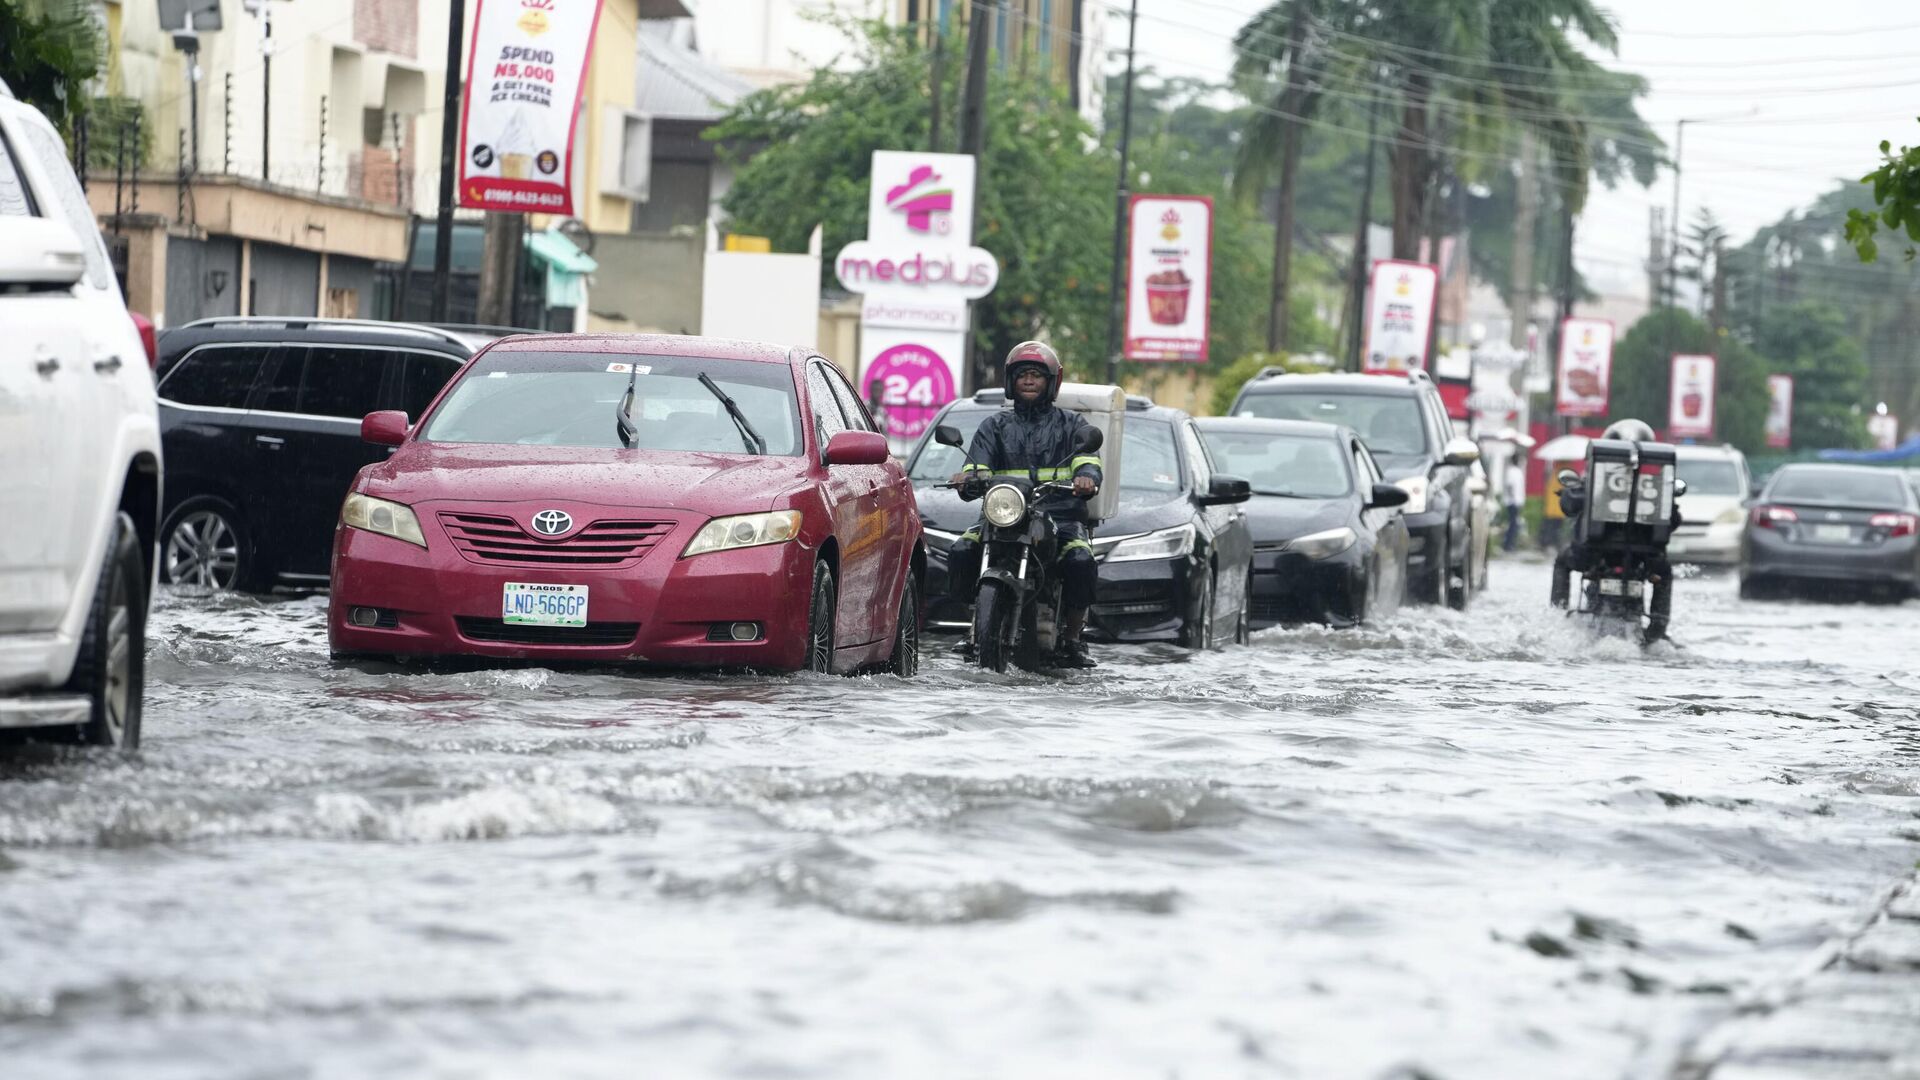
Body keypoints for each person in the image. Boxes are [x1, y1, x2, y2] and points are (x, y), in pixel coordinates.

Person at [946, 341, 1104, 668]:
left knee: (1080, 560)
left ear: (1051, 382)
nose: (1029, 381)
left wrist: (1087, 478)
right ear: (1011, 381)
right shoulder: (995, 427)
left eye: (1036, 375)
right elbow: (976, 467)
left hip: (1060, 518)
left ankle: (1074, 638)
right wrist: (967, 478)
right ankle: (975, 625)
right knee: (962, 551)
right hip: (1004, 515)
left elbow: (1089, 463)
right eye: (1022, 376)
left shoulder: (1072, 425)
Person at [1549, 418, 1678, 641]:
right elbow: (1674, 520)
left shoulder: (1597, 479)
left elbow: (1570, 506)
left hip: (1592, 555)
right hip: (1643, 560)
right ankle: (1658, 631)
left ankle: (1556, 619)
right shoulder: (1655, 485)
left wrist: (1570, 493)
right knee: (1664, 572)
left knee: (1563, 561)